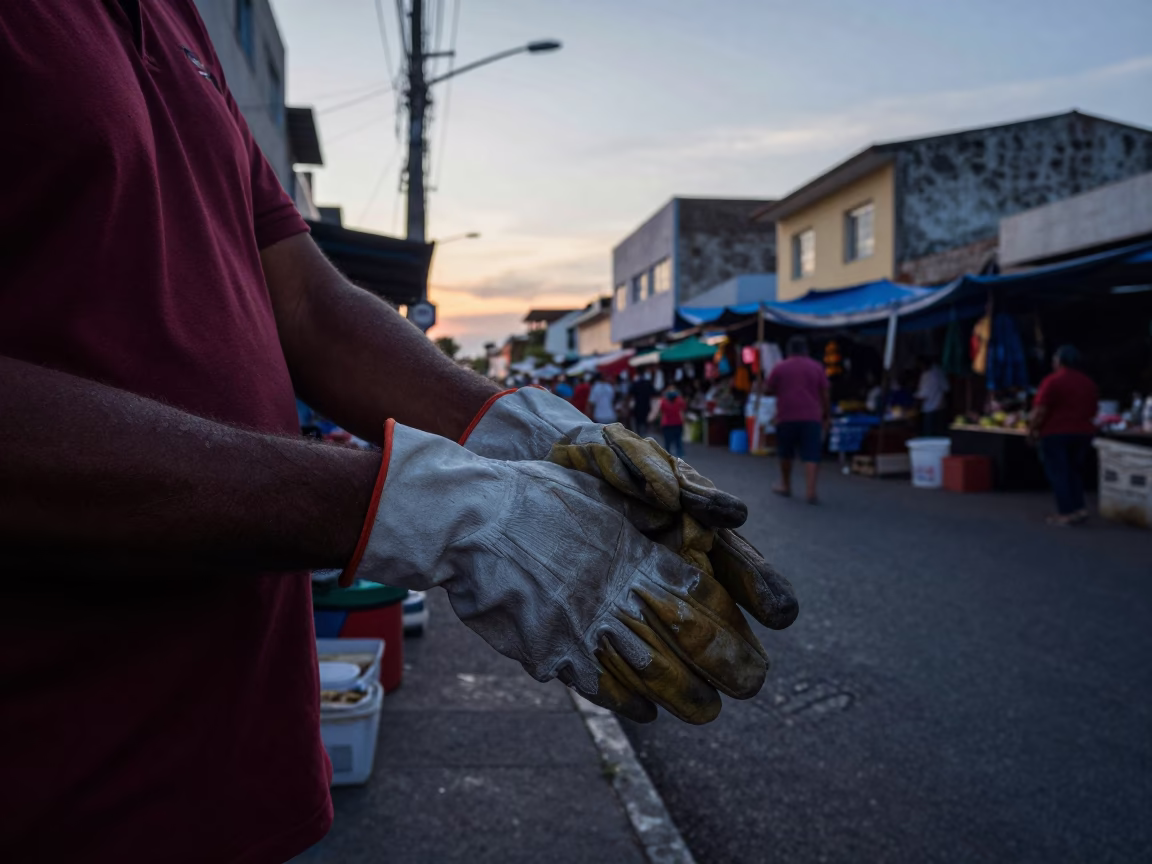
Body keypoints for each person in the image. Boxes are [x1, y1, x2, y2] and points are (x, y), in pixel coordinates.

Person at [0, 6, 798, 862]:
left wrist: (514, 431)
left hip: (233, 775)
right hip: (50, 787)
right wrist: (431, 510)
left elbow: (306, 302)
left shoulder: (176, 17)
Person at [1029, 345, 1099, 526]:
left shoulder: (1053, 381)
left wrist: (1032, 430)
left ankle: (1066, 512)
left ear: (1059, 362)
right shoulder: (1088, 382)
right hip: (1083, 433)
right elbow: (1093, 410)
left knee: (1059, 473)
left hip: (1055, 433)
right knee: (1074, 472)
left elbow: (1040, 410)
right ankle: (1079, 508)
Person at [765, 335, 830, 504]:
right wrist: (826, 415)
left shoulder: (780, 367)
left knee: (786, 453)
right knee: (811, 454)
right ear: (806, 350)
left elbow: (768, 389)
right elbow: (825, 393)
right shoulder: (817, 367)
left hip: (786, 415)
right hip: (812, 416)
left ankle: (786, 486)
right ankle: (811, 491)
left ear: (788, 351)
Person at [915, 356, 950, 436]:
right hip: (929, 408)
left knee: (932, 434)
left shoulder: (937, 372)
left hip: (936, 407)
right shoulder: (927, 373)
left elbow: (946, 389)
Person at [658, 385, 688, 458]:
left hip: (667, 424)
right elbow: (682, 412)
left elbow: (660, 413)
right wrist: (683, 422)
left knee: (668, 442)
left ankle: (667, 457)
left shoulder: (663, 401)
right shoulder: (679, 400)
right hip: (677, 423)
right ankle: (680, 457)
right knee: (678, 441)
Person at [630, 371, 656, 436]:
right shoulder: (648, 384)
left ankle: (639, 436)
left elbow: (631, 394)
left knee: (638, 425)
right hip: (646, 407)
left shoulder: (636, 384)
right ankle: (644, 436)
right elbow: (654, 394)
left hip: (638, 407)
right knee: (645, 423)